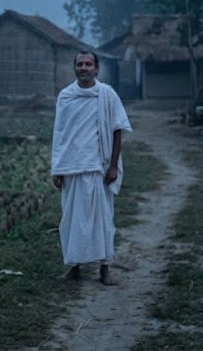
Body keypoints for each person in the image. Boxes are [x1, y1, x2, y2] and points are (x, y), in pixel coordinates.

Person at [49, 50, 131, 286]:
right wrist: (57, 167)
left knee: (103, 220)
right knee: (71, 221)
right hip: (72, 167)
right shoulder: (66, 97)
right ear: (74, 68)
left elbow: (117, 130)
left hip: (99, 167)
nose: (84, 67)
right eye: (80, 64)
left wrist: (113, 166)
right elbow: (60, 133)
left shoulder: (107, 95)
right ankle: (73, 267)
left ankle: (105, 269)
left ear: (96, 69)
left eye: (88, 64)